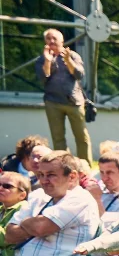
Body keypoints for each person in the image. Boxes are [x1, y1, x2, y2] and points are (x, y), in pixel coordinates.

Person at [39, 28, 90, 162]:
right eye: (48, 39)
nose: (51, 41)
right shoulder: (43, 58)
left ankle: (85, 166)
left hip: (74, 102)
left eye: (54, 38)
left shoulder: (72, 55)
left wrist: (68, 60)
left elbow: (79, 75)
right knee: (58, 137)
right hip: (53, 102)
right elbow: (43, 78)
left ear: (62, 41)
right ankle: (63, 165)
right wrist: (48, 61)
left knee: (81, 137)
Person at [89, 151, 119, 217]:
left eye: (109, 172)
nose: (104, 178)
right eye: (102, 172)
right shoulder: (100, 192)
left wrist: (97, 200)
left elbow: (112, 224)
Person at [0, 172, 31, 256]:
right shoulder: (2, 208)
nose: (1, 188)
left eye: (7, 186)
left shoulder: (24, 208)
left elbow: (5, 238)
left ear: (22, 195)